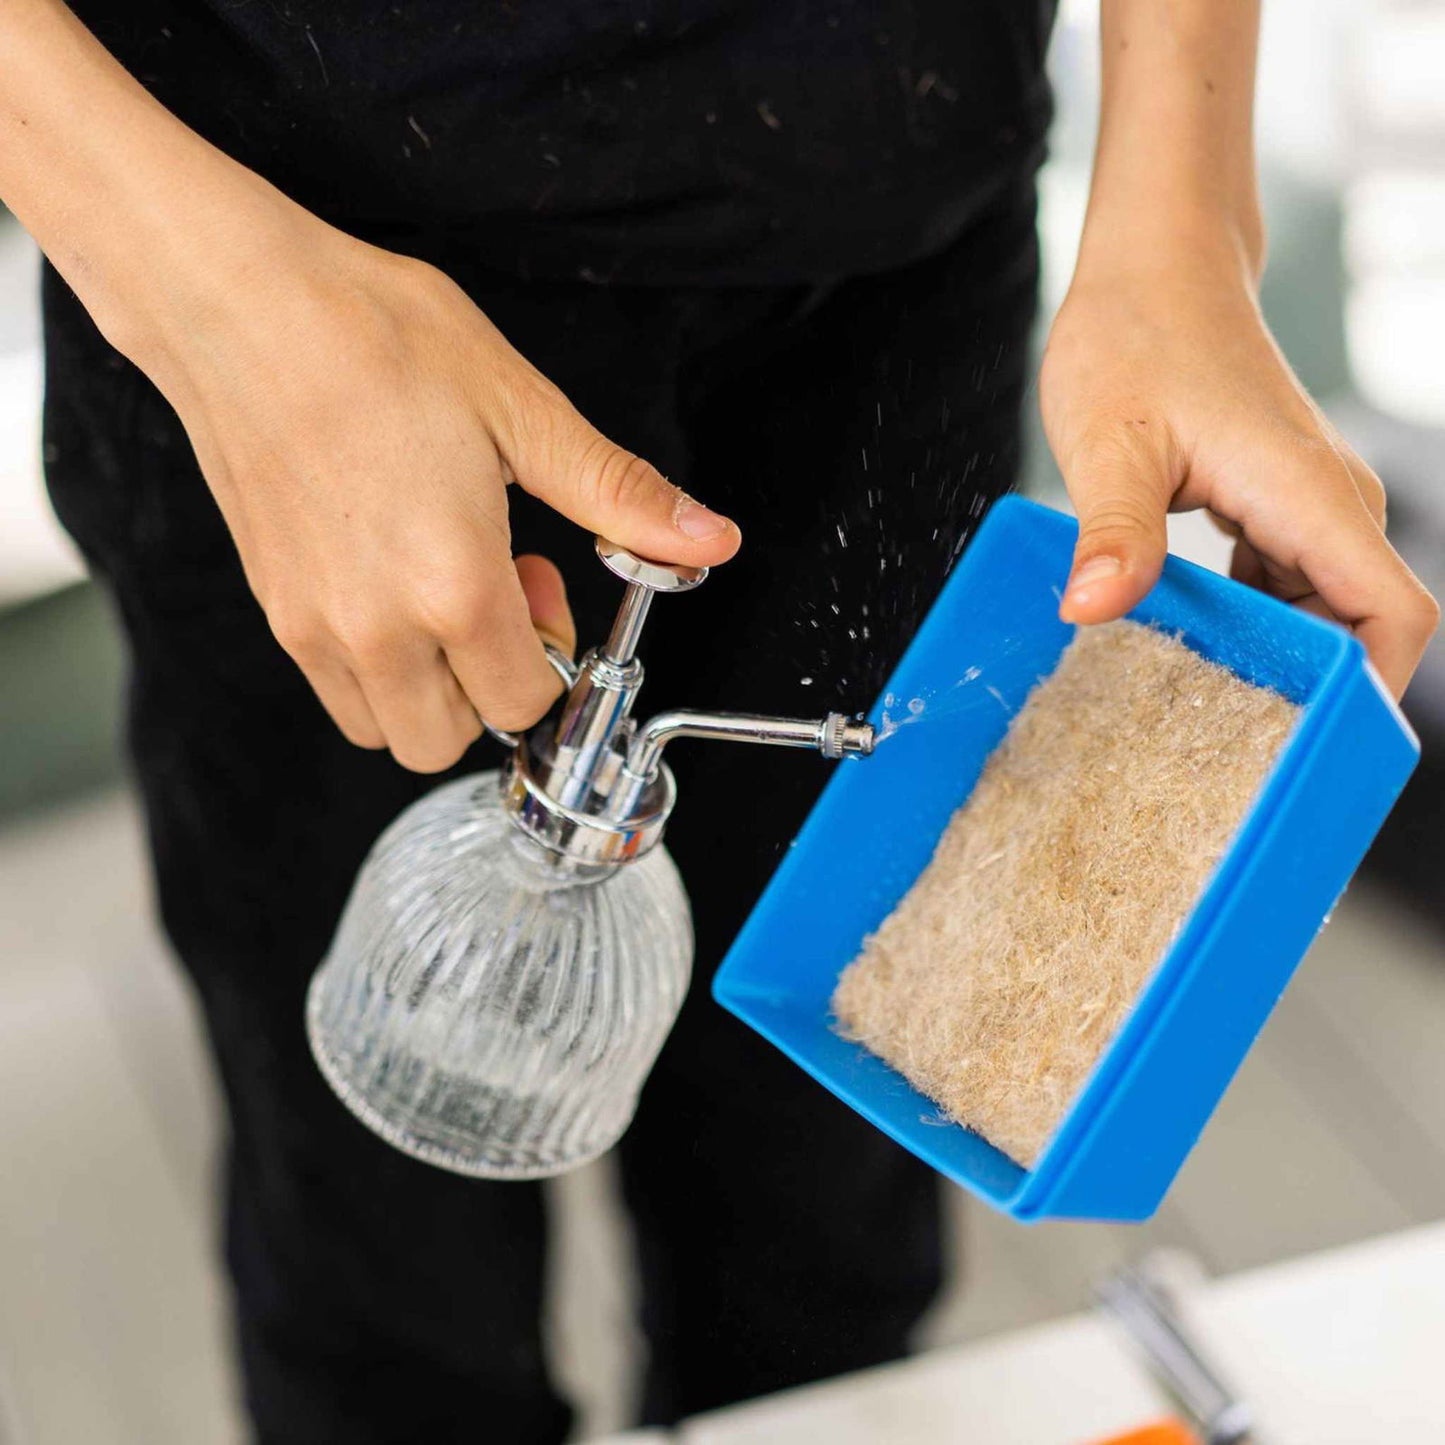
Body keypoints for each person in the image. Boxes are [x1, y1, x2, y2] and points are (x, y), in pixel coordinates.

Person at [2, 1, 1436, 1440]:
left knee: (819, 1242)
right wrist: (208, 291)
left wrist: (1180, 221)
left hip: (893, 222)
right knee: (384, 1289)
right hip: (296, 296)